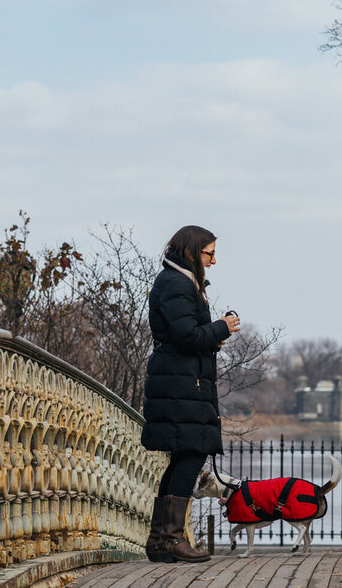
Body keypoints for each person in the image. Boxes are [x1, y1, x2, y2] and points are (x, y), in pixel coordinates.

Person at [140, 225, 241, 563]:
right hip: (181, 384)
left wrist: (213, 335)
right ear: (190, 252)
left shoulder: (178, 282)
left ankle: (161, 541)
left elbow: (186, 335)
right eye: (208, 253)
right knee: (192, 453)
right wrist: (220, 328)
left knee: (184, 456)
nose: (213, 261)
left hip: (181, 382)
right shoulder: (178, 283)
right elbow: (185, 336)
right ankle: (169, 539)